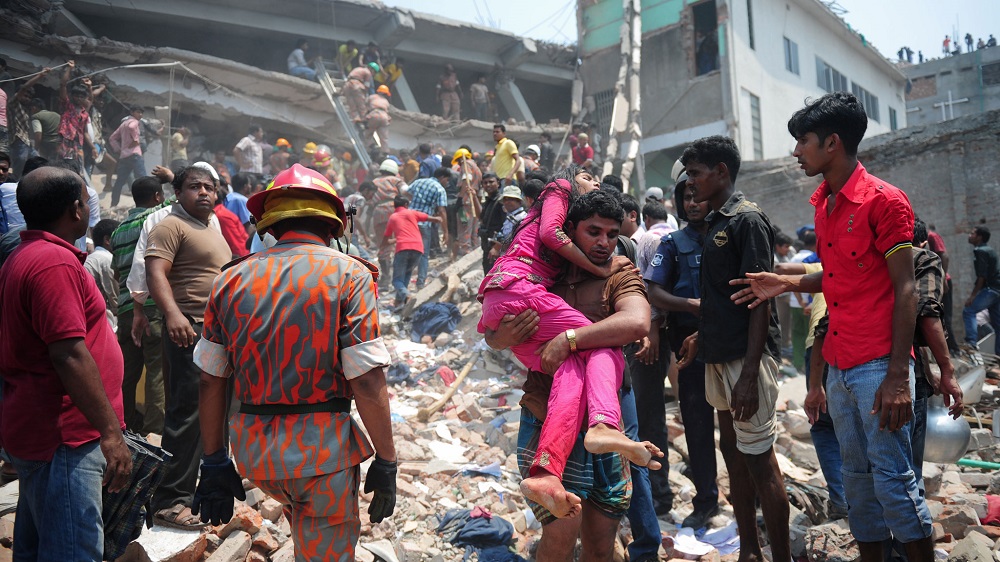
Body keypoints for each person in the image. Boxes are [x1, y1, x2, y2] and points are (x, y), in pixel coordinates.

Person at [732, 92, 935, 561]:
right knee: (857, 484)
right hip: (841, 365)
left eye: (803, 141)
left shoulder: (885, 202)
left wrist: (895, 378)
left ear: (833, 144)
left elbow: (906, 289)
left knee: (894, 478)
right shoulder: (824, 204)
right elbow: (839, 276)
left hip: (878, 365)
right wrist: (781, 283)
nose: (796, 151)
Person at [192, 163, 397, 559]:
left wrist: (215, 459)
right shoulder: (350, 275)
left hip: (256, 456)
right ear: (335, 222)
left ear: (270, 223)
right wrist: (386, 459)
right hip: (323, 455)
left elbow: (210, 379)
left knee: (298, 526)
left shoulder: (229, 279)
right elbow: (367, 380)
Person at [478, 164, 662, 519]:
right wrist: (500, 339)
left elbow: (637, 321)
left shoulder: (618, 268)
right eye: (593, 232)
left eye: (612, 234)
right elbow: (494, 331)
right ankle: (602, 425)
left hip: (591, 398)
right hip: (544, 403)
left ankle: (549, 472)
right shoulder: (551, 269)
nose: (604, 243)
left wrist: (569, 339)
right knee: (601, 344)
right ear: (571, 230)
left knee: (606, 526)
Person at [0, 166, 131, 560]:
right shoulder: (52, 263)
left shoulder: (28, 255)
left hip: (47, 430)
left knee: (39, 543)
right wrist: (110, 433)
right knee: (72, 551)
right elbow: (69, 352)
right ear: (76, 209)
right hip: (66, 436)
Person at [674, 136, 790, 562]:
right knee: (733, 455)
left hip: (746, 360)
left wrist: (748, 375)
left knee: (761, 462)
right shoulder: (717, 223)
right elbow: (725, 299)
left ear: (721, 171)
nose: (691, 183)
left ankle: (779, 557)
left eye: (696, 173)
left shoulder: (747, 221)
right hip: (718, 355)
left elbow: (760, 299)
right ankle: (748, 551)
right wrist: (702, 336)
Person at [146, 165, 232, 529]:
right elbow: (155, 272)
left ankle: (195, 487)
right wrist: (173, 314)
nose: (203, 193)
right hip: (190, 328)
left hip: (214, 329)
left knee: (212, 412)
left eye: (209, 187)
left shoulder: (210, 227)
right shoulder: (171, 225)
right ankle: (169, 501)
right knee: (186, 414)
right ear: (177, 192)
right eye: (194, 186)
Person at [645, 180, 720, 528]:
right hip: (690, 352)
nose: (692, 203)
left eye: (697, 196)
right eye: (685, 198)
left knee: (738, 431)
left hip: (729, 348)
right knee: (698, 426)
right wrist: (691, 305)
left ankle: (748, 498)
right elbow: (655, 291)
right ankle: (706, 500)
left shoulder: (729, 235)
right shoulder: (672, 244)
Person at [111, 175, 169, 434]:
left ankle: (123, 428)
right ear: (158, 197)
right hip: (151, 307)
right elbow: (187, 198)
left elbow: (116, 274)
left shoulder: (117, 230)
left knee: (128, 375)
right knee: (156, 372)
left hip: (125, 310)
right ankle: (155, 432)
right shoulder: (158, 216)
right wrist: (170, 178)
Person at [380, 195, 443, 307]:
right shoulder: (412, 213)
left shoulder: (393, 217)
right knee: (406, 275)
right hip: (418, 248)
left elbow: (386, 238)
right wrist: (440, 218)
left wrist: (384, 246)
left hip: (403, 249)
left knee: (396, 280)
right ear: (406, 205)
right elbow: (433, 219)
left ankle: (407, 296)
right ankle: (399, 301)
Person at [407, 167, 450, 289]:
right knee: (423, 254)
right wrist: (446, 232)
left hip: (410, 222)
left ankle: (403, 281)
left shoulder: (419, 181)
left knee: (408, 251)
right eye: (447, 180)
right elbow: (442, 211)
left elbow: (406, 193)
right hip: (424, 224)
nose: (447, 183)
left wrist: (415, 203)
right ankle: (420, 283)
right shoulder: (439, 189)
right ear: (441, 177)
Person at [962, 225, 1000, 352]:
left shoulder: (980, 251)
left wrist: (972, 296)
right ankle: (998, 356)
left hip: (991, 290)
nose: (969, 235)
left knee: (969, 311)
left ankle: (971, 342)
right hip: (997, 290)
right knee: (997, 325)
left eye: (972, 233)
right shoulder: (990, 250)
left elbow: (981, 276)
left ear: (979, 237)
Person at [84, 218, 121, 331]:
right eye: (117, 237)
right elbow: (114, 296)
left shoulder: (93, 258)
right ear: (107, 240)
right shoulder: (106, 259)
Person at [108, 105, 147, 207]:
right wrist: (135, 140)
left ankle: (113, 204)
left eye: (141, 113)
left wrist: (119, 149)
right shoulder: (134, 122)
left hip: (124, 157)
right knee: (144, 180)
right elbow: (132, 127)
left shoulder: (123, 124)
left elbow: (112, 138)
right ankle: (147, 204)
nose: (140, 115)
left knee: (119, 182)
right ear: (132, 112)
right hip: (134, 155)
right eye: (138, 112)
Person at [475, 172, 506, 274]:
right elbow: (481, 217)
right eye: (485, 183)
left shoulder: (501, 201)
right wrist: (474, 197)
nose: (488, 185)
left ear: (498, 183)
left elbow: (505, 226)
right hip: (487, 244)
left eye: (491, 182)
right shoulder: (489, 201)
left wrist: (497, 246)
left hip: (495, 246)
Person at [490, 185, 527, 257]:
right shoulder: (510, 217)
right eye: (505, 199)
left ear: (519, 201)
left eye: (510, 199)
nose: (507, 202)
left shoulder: (522, 218)